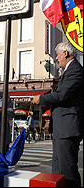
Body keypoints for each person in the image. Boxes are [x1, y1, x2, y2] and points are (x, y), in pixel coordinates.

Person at [31, 42, 83, 187]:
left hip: (68, 129)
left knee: (68, 172)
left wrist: (41, 99)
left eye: (58, 55)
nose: (56, 58)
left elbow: (62, 96)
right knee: (57, 172)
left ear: (65, 54)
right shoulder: (69, 71)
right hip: (62, 129)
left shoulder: (75, 70)